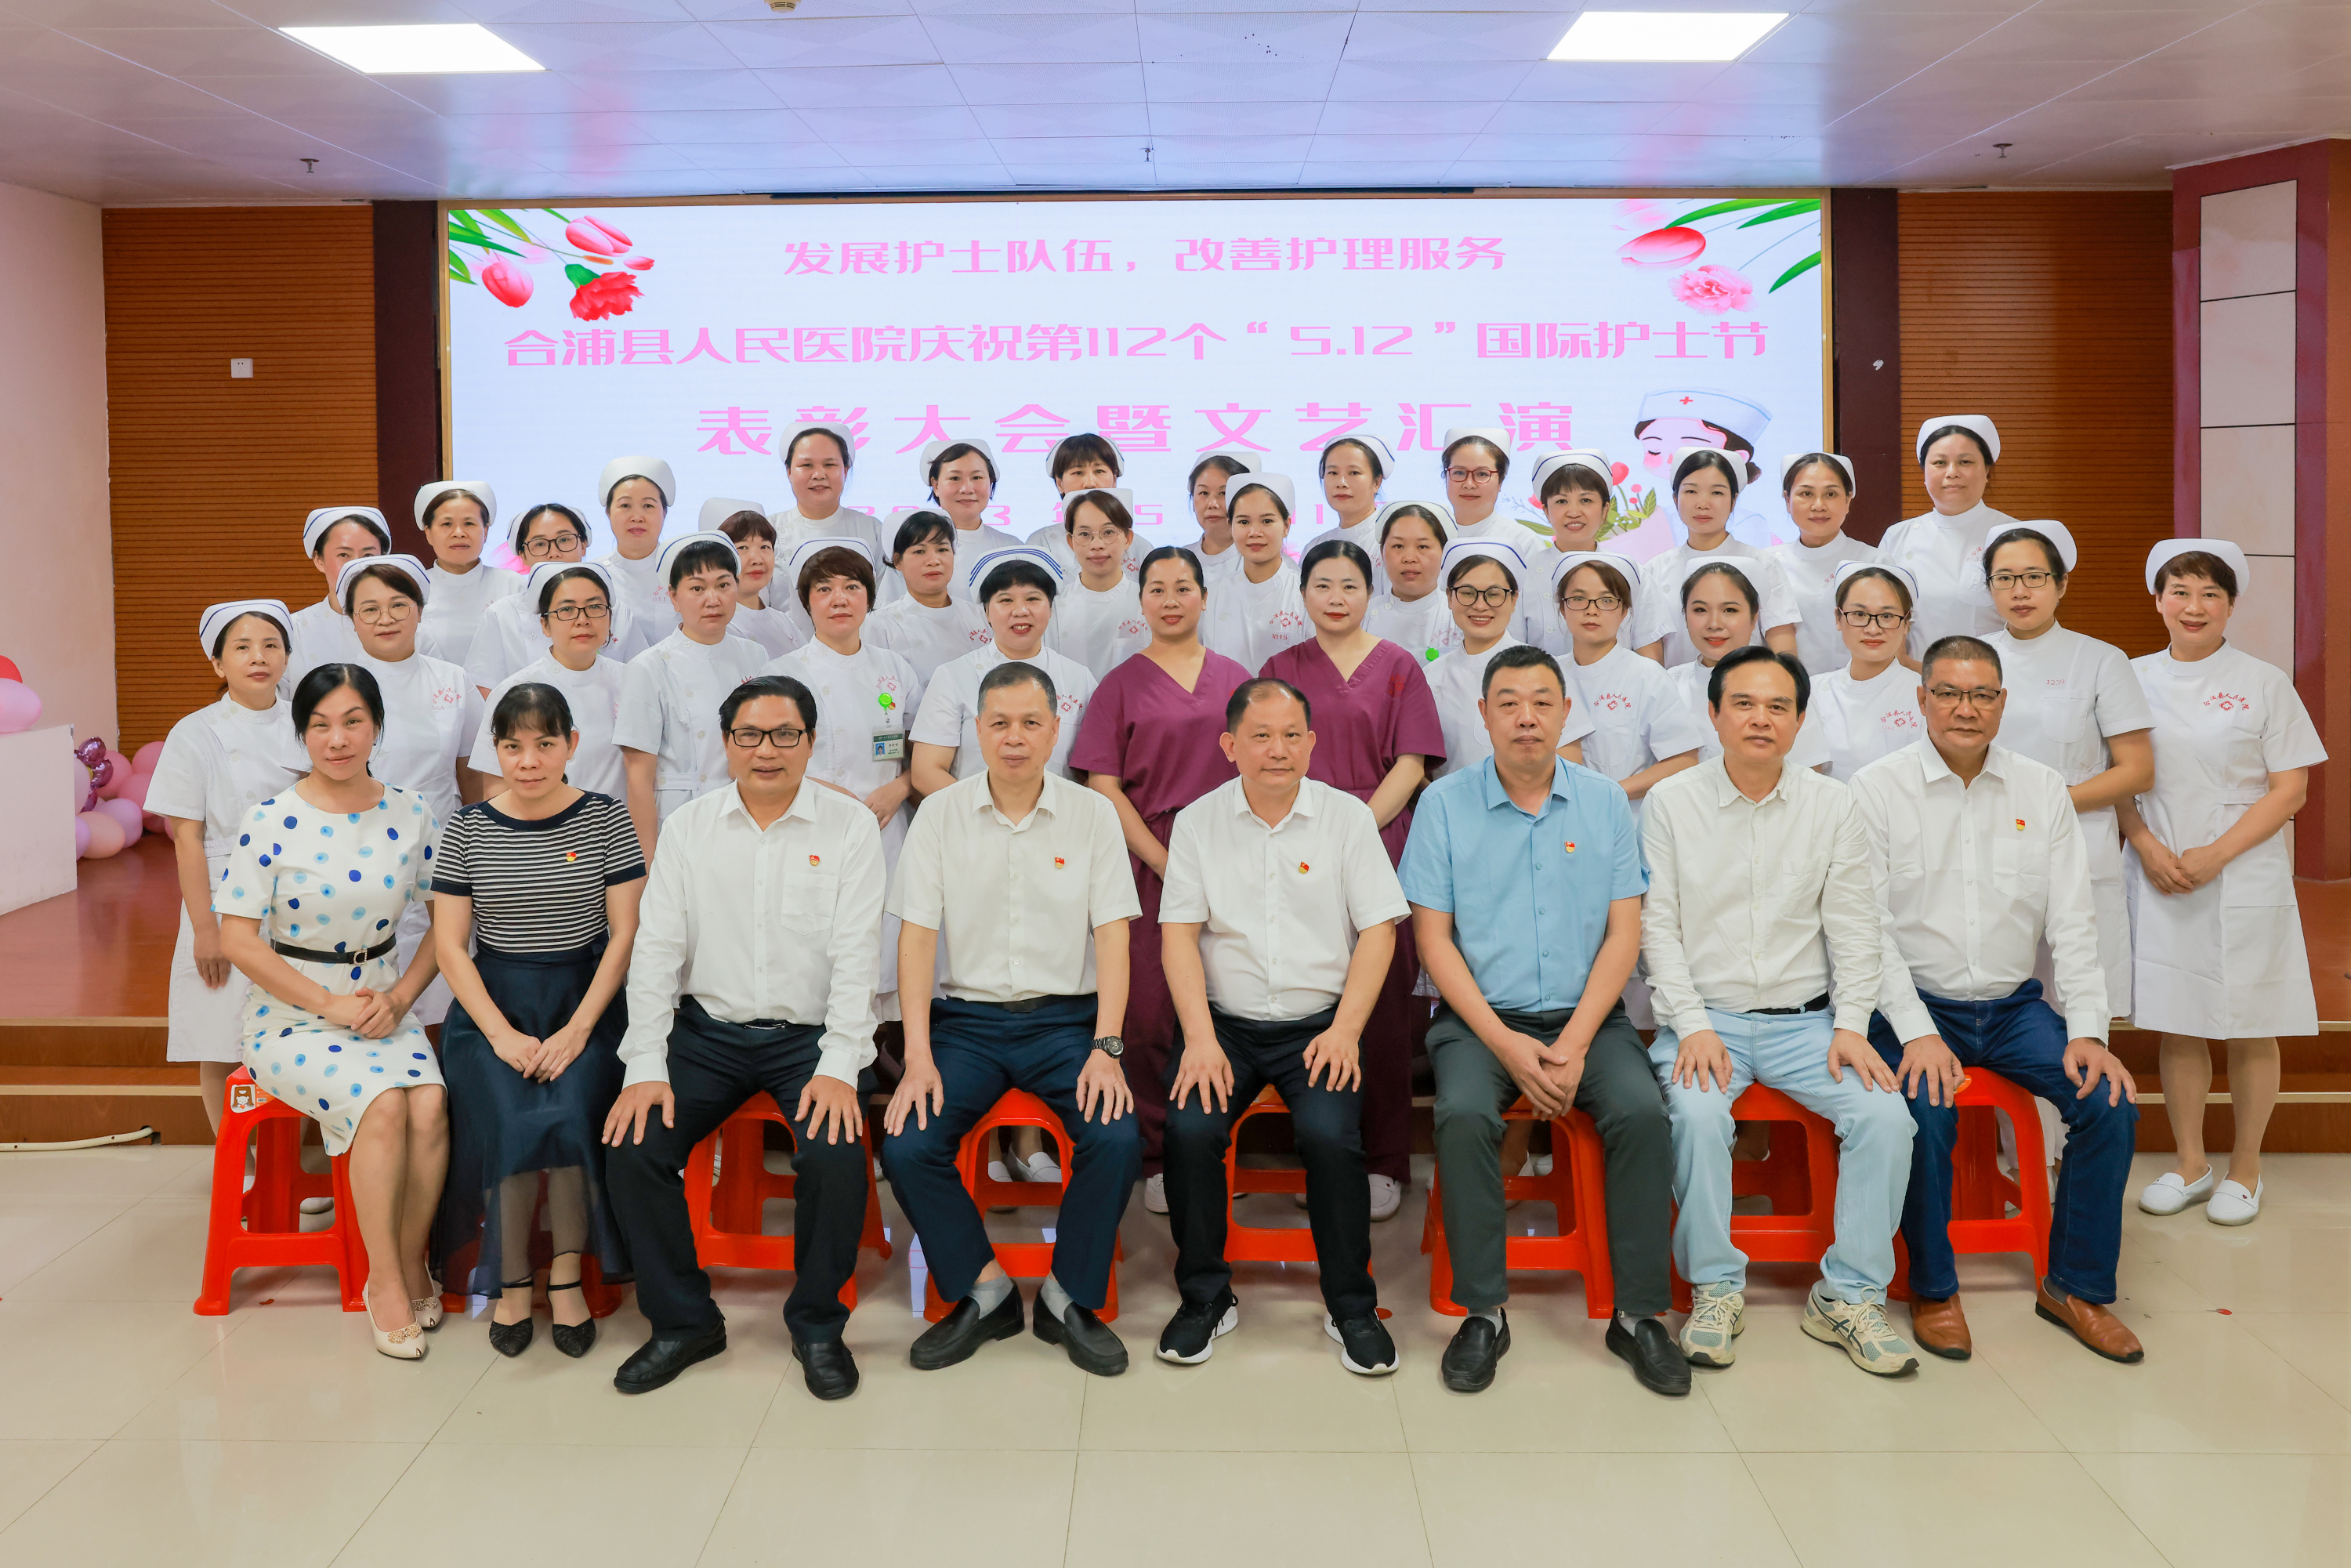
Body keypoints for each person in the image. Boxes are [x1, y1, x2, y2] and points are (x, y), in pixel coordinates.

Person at [1852, 636, 2144, 1364]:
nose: (1966, 708)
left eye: (1982, 694)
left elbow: (2073, 920)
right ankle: (1933, 1287)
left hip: (2013, 1008)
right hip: (1914, 1005)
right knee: (1925, 1106)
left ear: (2003, 703)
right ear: (1920, 699)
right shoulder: (1877, 788)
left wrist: (2089, 1031)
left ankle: (2075, 1286)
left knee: (2107, 1100)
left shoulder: (2040, 789)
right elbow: (1867, 929)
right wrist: (1917, 1032)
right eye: (1949, 693)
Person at [1404, 644, 1682, 1396]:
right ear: (1484, 714)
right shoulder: (1444, 804)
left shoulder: (1603, 801)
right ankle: (1482, 1312)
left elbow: (1624, 932)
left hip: (1587, 1019)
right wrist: (1506, 1045)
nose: (1526, 717)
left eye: (1541, 703)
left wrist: (1575, 1041)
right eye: (1508, 703)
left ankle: (1638, 1314)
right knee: (1463, 1114)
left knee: (1642, 1113)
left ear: (1565, 714)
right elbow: (1434, 941)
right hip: (1479, 1022)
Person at [601, 675, 886, 1399]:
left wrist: (840, 1063)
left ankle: (817, 1324)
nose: (768, 750)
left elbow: (858, 956)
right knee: (634, 1145)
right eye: (750, 735)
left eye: (786, 734)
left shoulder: (850, 826)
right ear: (726, 744)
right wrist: (645, 1062)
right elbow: (656, 951)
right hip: (709, 1033)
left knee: (834, 1152)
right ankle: (684, 1322)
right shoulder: (690, 827)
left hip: (811, 1037)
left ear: (811, 742)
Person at [1640, 645, 1922, 1377]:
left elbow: (1856, 927)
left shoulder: (1833, 804)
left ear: (1799, 722)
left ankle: (1849, 1296)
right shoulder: (1672, 802)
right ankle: (1715, 1287)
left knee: (1886, 1117)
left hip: (1809, 1024)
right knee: (1696, 1115)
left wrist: (1852, 1025)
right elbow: (1656, 928)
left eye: (1777, 707)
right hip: (1707, 1020)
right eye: (1743, 703)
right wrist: (1692, 1024)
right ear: (1714, 715)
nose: (1760, 719)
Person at [882, 661, 1143, 1377]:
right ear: (977, 731)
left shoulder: (1091, 814)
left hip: (1067, 1024)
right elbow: (917, 939)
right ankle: (985, 1289)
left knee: (1117, 1137)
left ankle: (1067, 1296)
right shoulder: (941, 814)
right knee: (907, 1144)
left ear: (1056, 730)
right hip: (966, 1024)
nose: (1015, 737)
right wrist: (918, 1054)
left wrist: (1107, 1047)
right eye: (999, 723)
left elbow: (1114, 936)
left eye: (1031, 723)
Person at [1157, 676, 1407, 1374]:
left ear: (1312, 742)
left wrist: (1346, 1030)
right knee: (1189, 1129)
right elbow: (1178, 935)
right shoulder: (1198, 822)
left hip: (1319, 1027)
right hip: (1223, 1027)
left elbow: (1379, 931)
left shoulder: (1346, 818)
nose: (1278, 750)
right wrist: (1199, 1038)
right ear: (1229, 745)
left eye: (1292, 735)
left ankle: (1351, 1305)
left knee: (1330, 1135)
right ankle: (1206, 1296)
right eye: (1261, 736)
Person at [214, 664, 448, 1360]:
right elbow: (237, 939)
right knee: (383, 1102)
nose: (337, 739)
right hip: (291, 1016)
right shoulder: (271, 819)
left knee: (430, 1103)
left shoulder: (411, 812)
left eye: (352, 722)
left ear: (376, 727)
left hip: (381, 1004)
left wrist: (400, 998)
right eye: (319, 725)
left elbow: (447, 922)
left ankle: (410, 1259)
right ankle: (384, 1283)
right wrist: (326, 1004)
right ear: (302, 734)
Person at [432, 683, 643, 1360]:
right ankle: (514, 1281)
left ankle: (567, 1275)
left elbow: (625, 932)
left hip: (586, 1002)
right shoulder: (467, 827)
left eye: (545, 743)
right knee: (514, 1118)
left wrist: (578, 1030)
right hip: (492, 1008)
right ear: (494, 750)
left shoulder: (605, 818)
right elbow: (449, 947)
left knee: (574, 1113)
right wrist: (500, 1034)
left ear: (571, 745)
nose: (529, 760)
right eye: (513, 745)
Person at [2125, 539, 2326, 1229]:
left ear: (2231, 605)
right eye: (2180, 591)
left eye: (2211, 593)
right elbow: (2117, 776)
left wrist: (2216, 854)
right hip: (2161, 865)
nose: (2195, 606)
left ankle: (2246, 1167)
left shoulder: (2264, 681)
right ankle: (2190, 1162)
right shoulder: (2129, 678)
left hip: (2243, 869)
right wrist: (2146, 844)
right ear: (2158, 600)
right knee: (2179, 1017)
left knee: (2251, 1020)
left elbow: (2290, 789)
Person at [1262, 538, 1445, 1222]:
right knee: (1309, 995)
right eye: (1322, 585)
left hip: (1378, 837)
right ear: (1303, 593)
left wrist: (1353, 827)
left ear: (1371, 593)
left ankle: (1384, 1160)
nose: (1336, 598)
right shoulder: (1281, 668)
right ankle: (1323, 1155)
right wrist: (1317, 829)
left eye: (1349, 585)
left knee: (1385, 1007)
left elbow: (1412, 761)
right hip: (1294, 838)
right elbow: (1265, 755)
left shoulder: (1398, 666)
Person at [1070, 547, 1253, 1214]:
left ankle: (1214, 1147)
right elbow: (1103, 785)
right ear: (1140, 600)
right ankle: (1155, 1156)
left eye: (1183, 587)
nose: (1170, 600)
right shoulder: (1119, 684)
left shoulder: (1237, 678)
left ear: (1205, 596)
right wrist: (1164, 861)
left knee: (1228, 999)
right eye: (1157, 589)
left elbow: (1264, 765)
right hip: (1147, 860)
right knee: (1147, 1012)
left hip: (1232, 856)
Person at [1981, 521, 2153, 1026]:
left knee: (2082, 1010)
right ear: (1990, 587)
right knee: (1994, 1004)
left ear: (2061, 584)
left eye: (2034, 577)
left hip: (2078, 844)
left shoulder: (2100, 660)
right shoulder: (1969, 658)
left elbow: (2138, 770)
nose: (2020, 591)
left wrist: (2046, 805)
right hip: (1987, 841)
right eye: (2005, 578)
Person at [150, 600, 310, 1131]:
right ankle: (236, 1164)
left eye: (270, 645)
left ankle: (285, 1162)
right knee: (221, 1036)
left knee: (297, 1033)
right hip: (223, 890)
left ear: (287, 655)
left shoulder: (309, 722)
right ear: (217, 663)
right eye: (242, 647)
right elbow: (187, 839)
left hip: (304, 889)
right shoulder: (195, 732)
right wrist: (205, 929)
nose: (258, 657)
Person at [760, 537, 924, 1020]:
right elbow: (765, 761)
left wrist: (900, 787)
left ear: (869, 599)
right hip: (811, 826)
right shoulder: (783, 674)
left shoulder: (894, 669)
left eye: (852, 587)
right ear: (807, 602)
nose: (839, 599)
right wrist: (831, 796)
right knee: (818, 944)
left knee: (886, 943)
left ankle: (884, 1051)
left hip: (886, 826)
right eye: (824, 589)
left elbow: (921, 749)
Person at [341, 554, 485, 1030]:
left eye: (398, 605)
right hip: (358, 842)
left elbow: (471, 773)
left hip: (443, 840)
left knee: (447, 962)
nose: (386, 619)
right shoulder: (336, 686)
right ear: (352, 619)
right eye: (370, 609)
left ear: (420, 610)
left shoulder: (453, 680)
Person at [613, 530, 766, 854]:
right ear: (673, 596)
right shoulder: (649, 667)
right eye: (697, 588)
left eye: (723, 585)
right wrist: (649, 862)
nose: (713, 599)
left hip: (750, 815)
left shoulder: (755, 656)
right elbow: (638, 777)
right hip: (679, 821)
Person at [910, 548, 1099, 791]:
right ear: (987, 612)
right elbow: (926, 771)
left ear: (1051, 608)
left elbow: (1095, 771)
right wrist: (983, 811)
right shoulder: (953, 676)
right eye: (1006, 600)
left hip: (1059, 814)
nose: (1020, 611)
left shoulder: (1079, 678)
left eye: (1033, 599)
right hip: (973, 813)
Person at [1549, 553, 1706, 817]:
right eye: (1578, 599)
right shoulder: (1546, 673)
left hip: (1626, 821)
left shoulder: (1646, 675)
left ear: (1624, 611)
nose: (1591, 610)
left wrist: (1610, 794)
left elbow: (1683, 759)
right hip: (1556, 819)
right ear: (1562, 608)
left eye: (1606, 600)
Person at [1425, 538, 1591, 780]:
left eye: (1494, 594)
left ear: (1514, 600)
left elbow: (1569, 760)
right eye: (1467, 593)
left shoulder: (1543, 669)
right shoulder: (1430, 676)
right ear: (1450, 597)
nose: (1480, 606)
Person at [469, 561, 629, 802]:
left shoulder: (631, 682)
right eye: (567, 610)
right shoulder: (513, 691)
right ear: (544, 624)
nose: (582, 620)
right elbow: (496, 790)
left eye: (595, 607)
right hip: (536, 823)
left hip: (614, 823)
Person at [1632, 449, 1800, 667]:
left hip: (1748, 684)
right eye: (1691, 491)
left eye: (1717, 492)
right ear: (1675, 498)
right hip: (1676, 687)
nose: (1703, 503)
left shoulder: (1762, 564)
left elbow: (1783, 648)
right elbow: (1650, 658)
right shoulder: (1656, 570)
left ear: (1734, 500)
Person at [1665, 561, 1831, 773]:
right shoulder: (1668, 684)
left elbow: (1808, 776)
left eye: (1730, 610)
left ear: (1755, 617)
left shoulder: (1784, 683)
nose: (1714, 624)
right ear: (1685, 616)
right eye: (1700, 610)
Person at [1876, 416, 2018, 653]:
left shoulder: (2015, 536)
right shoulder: (1897, 536)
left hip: (1992, 672)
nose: (1952, 473)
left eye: (1965, 462)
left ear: (1987, 471)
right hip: (1914, 671)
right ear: (1924, 473)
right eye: (1940, 463)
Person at [466, 503, 619, 696]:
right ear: (522, 555)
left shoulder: (616, 610)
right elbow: (484, 687)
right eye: (539, 544)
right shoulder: (501, 614)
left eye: (564, 540)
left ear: (583, 545)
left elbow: (635, 675)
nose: (554, 553)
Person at [1809, 563, 1925, 780]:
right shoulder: (1814, 692)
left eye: (1887, 616)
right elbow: (1805, 778)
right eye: (1860, 614)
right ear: (1838, 618)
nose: (1873, 629)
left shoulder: (1925, 695)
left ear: (1906, 623)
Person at [1766, 454, 1876, 673]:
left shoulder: (1874, 563)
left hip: (1857, 688)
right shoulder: (1768, 564)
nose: (1818, 505)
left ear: (1848, 500)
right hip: (1784, 687)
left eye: (1831, 494)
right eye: (1806, 494)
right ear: (1787, 500)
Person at [1629, 387, 1778, 549]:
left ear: (1738, 457)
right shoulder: (1651, 519)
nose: (1672, 461)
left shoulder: (1747, 522)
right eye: (1654, 450)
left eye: (1717, 493)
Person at [1198, 473, 1311, 669]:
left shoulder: (1306, 594)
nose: (1254, 533)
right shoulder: (1212, 595)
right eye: (1244, 522)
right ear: (1230, 525)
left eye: (1267, 521)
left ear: (1286, 525)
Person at [868, 508, 991, 680]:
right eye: (919, 551)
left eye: (942, 550)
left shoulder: (981, 617)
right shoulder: (880, 626)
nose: (934, 561)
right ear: (897, 561)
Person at [893, 438, 1018, 606]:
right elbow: (891, 611)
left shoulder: (1012, 548)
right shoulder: (909, 545)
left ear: (990, 484)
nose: (967, 489)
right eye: (955, 478)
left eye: (977, 477)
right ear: (936, 486)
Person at [284, 505, 391, 693]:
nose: (356, 566)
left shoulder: (406, 624)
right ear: (319, 560)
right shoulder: (292, 631)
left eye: (368, 555)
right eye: (343, 555)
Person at [415, 480, 520, 672]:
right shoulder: (413, 588)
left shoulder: (513, 585)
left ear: (485, 531)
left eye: (469, 523)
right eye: (447, 524)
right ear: (428, 533)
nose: (459, 533)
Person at [1523, 449, 1622, 650]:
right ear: (1546, 511)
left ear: (1605, 509)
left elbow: (1648, 650)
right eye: (1562, 501)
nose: (1574, 512)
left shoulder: (1629, 571)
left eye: (1586, 500)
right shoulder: (1523, 574)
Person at [1048, 489, 1149, 679]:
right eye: (1084, 534)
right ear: (1071, 542)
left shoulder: (1148, 604)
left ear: (1128, 539)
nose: (1097, 545)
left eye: (1108, 532)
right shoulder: (1052, 609)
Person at [592, 456, 683, 649]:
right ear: (608, 513)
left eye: (648, 505)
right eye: (625, 505)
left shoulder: (686, 571)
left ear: (664, 512)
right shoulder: (591, 576)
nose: (637, 517)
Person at [1029, 432, 1142, 581]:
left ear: (1114, 480)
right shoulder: (1041, 543)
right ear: (1060, 483)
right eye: (1078, 472)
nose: (1090, 483)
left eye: (1099, 471)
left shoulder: (1140, 547)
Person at [770, 420, 883, 561]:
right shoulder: (768, 531)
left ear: (845, 471)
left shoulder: (872, 531)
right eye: (807, 465)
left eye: (830, 464)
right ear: (789, 472)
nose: (819, 475)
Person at [1362, 500, 1456, 664]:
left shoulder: (1457, 618)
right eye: (1398, 546)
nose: (1410, 558)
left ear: (1444, 553)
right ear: (1382, 553)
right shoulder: (1362, 616)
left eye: (1423, 546)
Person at [714, 501, 810, 661]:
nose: (757, 559)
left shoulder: (784, 621)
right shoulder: (719, 624)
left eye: (765, 547)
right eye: (743, 548)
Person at [1302, 433, 1396, 592]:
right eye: (1333, 473)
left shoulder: (1391, 543)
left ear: (1376, 482)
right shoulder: (1315, 547)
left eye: (1354, 473)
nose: (1341, 483)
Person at [1437, 428, 1533, 541]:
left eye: (1482, 474)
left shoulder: (1522, 541)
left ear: (1500, 481)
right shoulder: (1428, 538)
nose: (1469, 484)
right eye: (1459, 472)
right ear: (1446, 476)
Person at [1186, 450, 1260, 585]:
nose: (1212, 504)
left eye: (1223, 493)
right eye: (1204, 493)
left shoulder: (1262, 561)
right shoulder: (1180, 559)